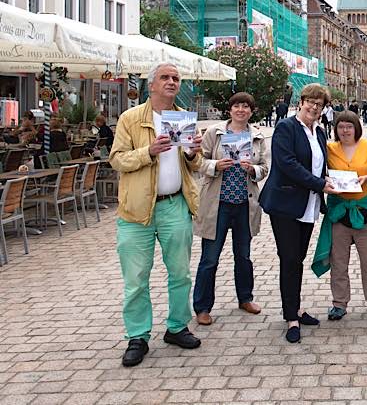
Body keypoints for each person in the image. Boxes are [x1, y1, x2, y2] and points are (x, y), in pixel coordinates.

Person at [110, 62, 204, 367]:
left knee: (180, 273)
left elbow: (195, 162)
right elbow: (117, 160)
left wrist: (192, 152)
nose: (172, 82)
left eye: (176, 78)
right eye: (165, 77)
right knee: (136, 278)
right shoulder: (131, 119)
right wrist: (148, 151)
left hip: (175, 204)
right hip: (137, 210)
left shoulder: (184, 118)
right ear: (151, 85)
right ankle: (137, 336)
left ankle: (177, 327)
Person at [259, 83, 338, 343]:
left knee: (298, 258)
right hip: (285, 203)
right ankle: (291, 317)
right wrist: (319, 183)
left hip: (308, 204)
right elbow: (287, 163)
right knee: (289, 258)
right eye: (311, 102)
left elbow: (318, 165)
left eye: (320, 104)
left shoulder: (320, 132)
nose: (315, 107)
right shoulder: (286, 127)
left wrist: (329, 179)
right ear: (301, 101)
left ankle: (295, 307)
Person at [193, 92, 269, 326]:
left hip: (244, 204)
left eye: (246, 106)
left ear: (251, 111)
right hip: (218, 204)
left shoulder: (256, 136)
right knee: (210, 258)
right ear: (230, 110)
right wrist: (215, 165)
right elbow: (197, 161)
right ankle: (203, 307)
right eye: (237, 106)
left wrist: (252, 170)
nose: (241, 110)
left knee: (243, 256)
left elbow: (265, 167)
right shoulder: (214, 133)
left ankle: (245, 297)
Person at [311, 110, 367, 320]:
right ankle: (339, 303)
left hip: (363, 209)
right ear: (335, 129)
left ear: (356, 127)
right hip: (338, 212)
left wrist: (366, 178)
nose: (345, 130)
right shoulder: (329, 148)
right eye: (341, 126)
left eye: (349, 126)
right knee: (338, 261)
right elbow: (317, 170)